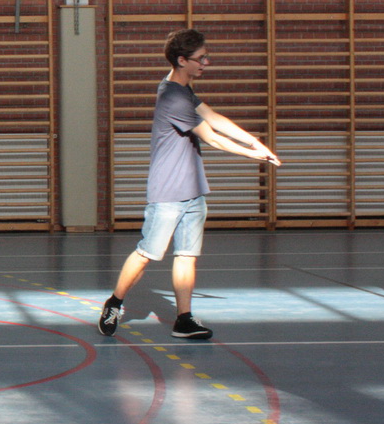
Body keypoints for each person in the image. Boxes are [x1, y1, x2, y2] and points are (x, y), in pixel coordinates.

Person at [99, 29, 280, 340]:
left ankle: (184, 319)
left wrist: (254, 141)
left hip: (193, 190)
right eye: (201, 58)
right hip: (168, 192)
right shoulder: (172, 96)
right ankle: (114, 303)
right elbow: (211, 137)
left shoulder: (184, 91)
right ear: (182, 60)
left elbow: (213, 117)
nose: (206, 63)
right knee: (147, 254)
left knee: (186, 255)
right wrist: (254, 155)